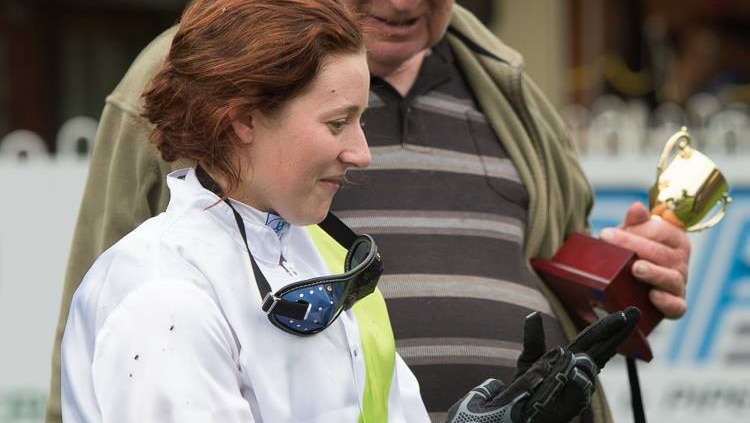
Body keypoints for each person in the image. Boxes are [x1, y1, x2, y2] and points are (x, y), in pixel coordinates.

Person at [47, 1, 691, 423]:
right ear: (238, 117)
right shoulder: (162, 293)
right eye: (338, 122)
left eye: (363, 119)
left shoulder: (335, 261)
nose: (362, 152)